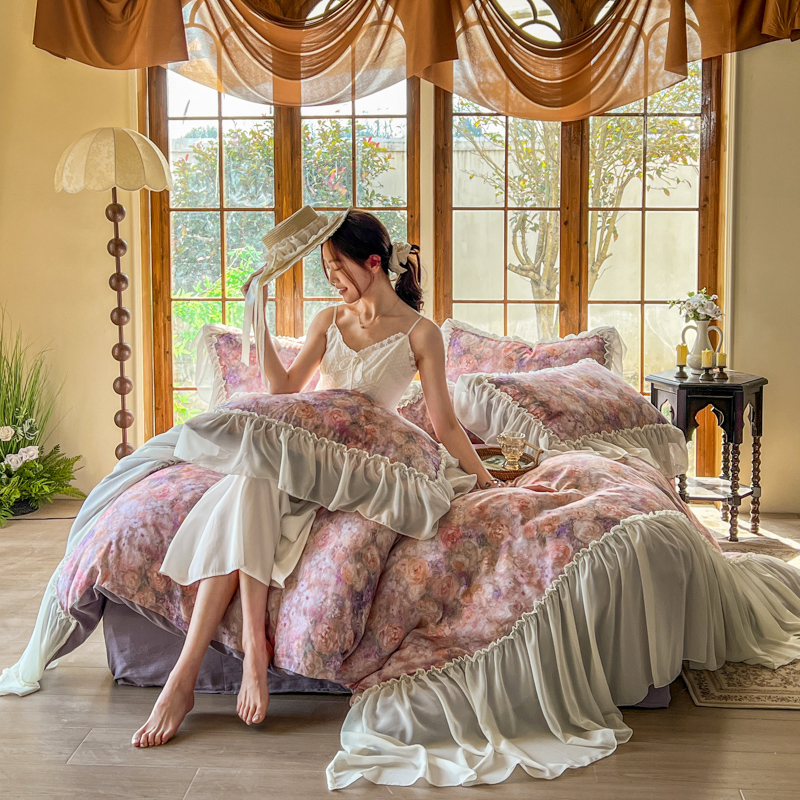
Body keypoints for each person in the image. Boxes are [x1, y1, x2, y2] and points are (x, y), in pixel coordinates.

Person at [132, 208, 499, 748]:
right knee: (255, 477)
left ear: (373, 263)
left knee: (253, 481)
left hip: (361, 467)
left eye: (337, 267)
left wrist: (486, 478)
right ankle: (219, 664)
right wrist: (257, 317)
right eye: (325, 269)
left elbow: (444, 423)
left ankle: (202, 672)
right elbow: (284, 390)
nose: (331, 279)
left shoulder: (421, 334)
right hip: (307, 455)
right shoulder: (328, 320)